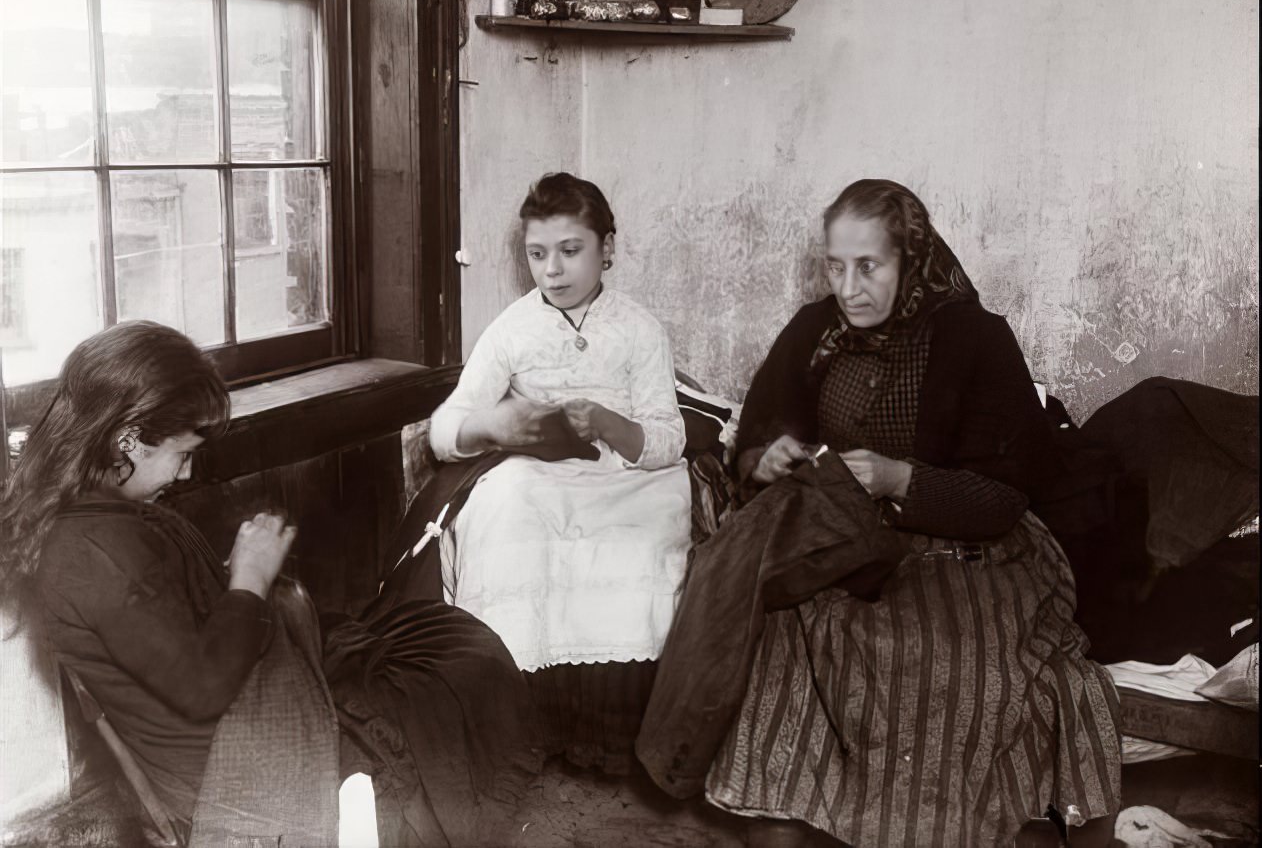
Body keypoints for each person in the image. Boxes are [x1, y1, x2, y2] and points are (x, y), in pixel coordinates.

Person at [636, 179, 1122, 847]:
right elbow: (758, 431)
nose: (848, 286)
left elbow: (1006, 497)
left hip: (964, 549)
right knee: (778, 636)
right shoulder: (815, 330)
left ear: (910, 258)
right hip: (835, 538)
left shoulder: (974, 340)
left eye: (869, 266)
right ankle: (791, 818)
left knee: (937, 655)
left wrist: (902, 479)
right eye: (836, 265)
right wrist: (765, 456)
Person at [0, 320, 538, 847]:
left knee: (431, 633)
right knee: (449, 679)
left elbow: (168, 624)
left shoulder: (92, 519)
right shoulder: (89, 554)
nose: (186, 475)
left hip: (233, 704)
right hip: (229, 760)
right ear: (130, 439)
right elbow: (202, 687)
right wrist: (250, 578)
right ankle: (357, 812)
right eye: (182, 454)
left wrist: (239, 579)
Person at [419, 171, 691, 771]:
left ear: (608, 249)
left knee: (645, 534)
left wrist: (609, 421)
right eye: (537, 255)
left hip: (627, 475)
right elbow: (445, 429)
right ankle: (527, 729)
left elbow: (670, 437)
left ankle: (613, 739)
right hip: (540, 473)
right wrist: (496, 428)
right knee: (508, 510)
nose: (553, 271)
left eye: (571, 252)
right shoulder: (512, 329)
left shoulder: (640, 329)